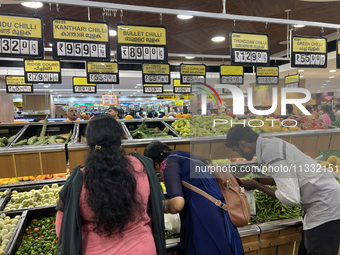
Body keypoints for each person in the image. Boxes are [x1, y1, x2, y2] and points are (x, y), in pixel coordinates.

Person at [55, 115, 166, 255]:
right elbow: (154, 207)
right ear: (120, 138)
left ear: (89, 142)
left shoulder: (79, 181)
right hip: (142, 248)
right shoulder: (142, 166)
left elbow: (63, 230)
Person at [225, 125, 340, 255]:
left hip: (326, 207)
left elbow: (291, 198)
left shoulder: (271, 154)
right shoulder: (270, 143)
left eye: (236, 150)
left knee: (320, 249)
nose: (239, 154)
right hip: (321, 202)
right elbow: (288, 175)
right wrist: (257, 181)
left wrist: (257, 186)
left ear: (242, 144)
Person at [144, 141, 243, 255]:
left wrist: (157, 205)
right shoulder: (186, 157)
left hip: (201, 216)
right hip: (217, 213)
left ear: (155, 164)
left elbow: (177, 204)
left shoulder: (168, 163)